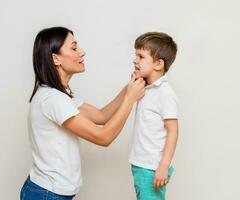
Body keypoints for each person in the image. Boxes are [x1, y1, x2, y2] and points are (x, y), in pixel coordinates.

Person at [20, 27, 145, 200]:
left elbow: (102, 116)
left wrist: (129, 87)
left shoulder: (60, 96)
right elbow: (103, 137)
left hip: (47, 192)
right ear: (55, 58)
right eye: (73, 48)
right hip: (48, 194)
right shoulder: (54, 99)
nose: (82, 52)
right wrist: (130, 99)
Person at [129, 32, 179, 200]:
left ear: (158, 64)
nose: (135, 60)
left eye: (141, 56)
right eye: (136, 55)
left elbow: (173, 131)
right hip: (141, 165)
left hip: (152, 168)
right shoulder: (146, 87)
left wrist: (164, 166)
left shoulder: (164, 92)